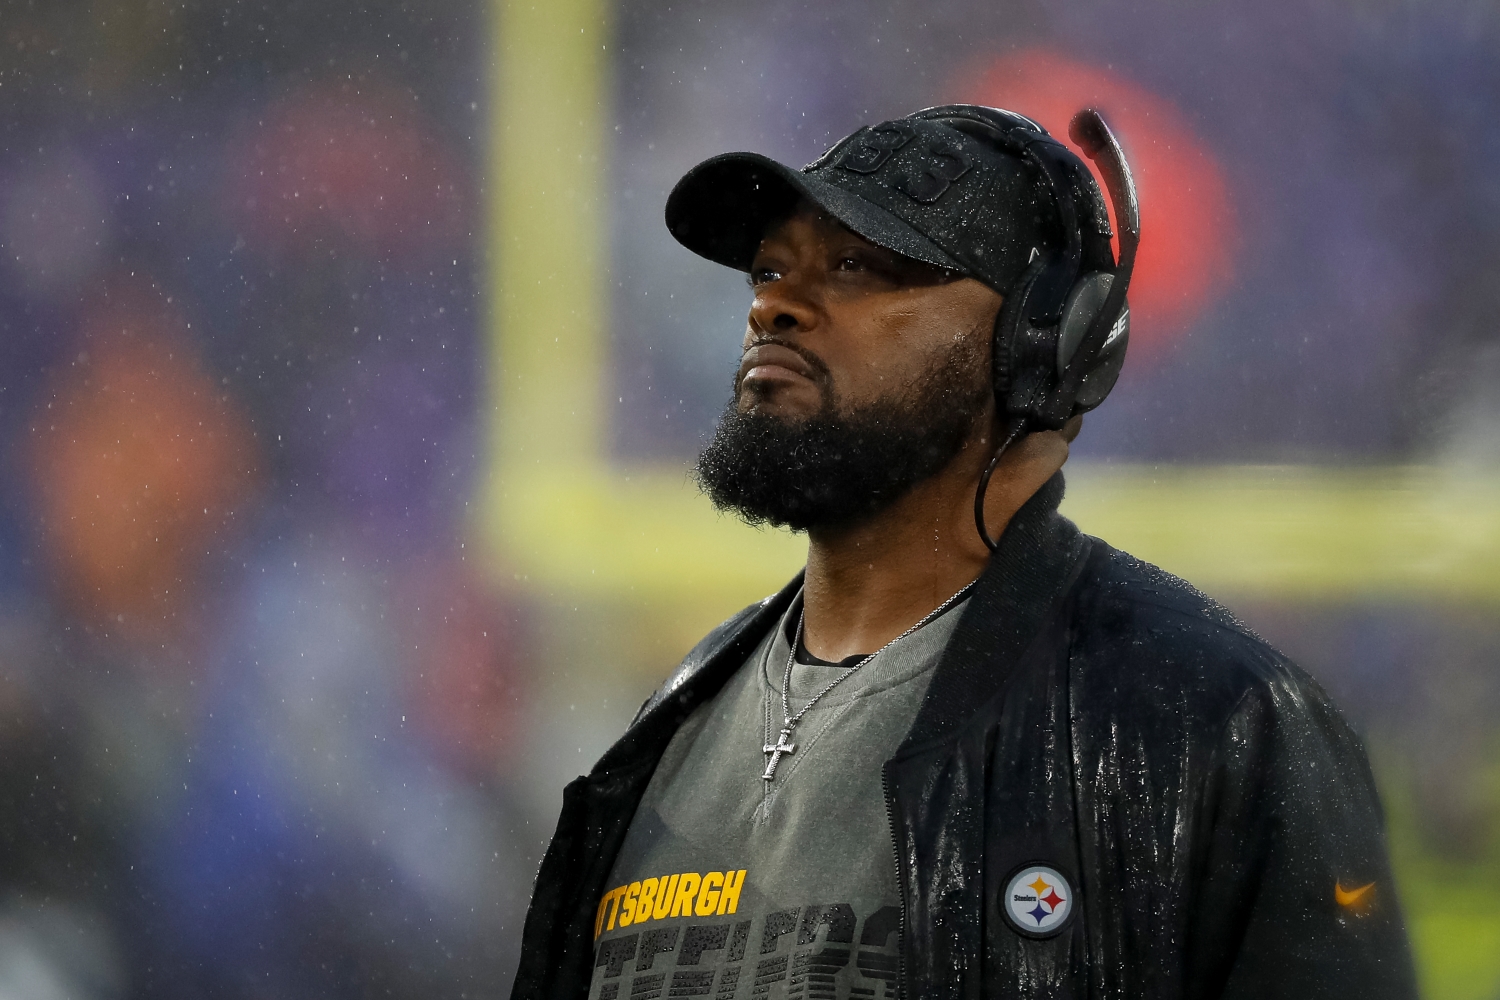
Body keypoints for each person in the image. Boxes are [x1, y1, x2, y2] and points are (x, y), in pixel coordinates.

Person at [511, 105, 1417, 999]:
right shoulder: (665, 732)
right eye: (771, 268)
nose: (775, 305)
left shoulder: (1219, 721)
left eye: (859, 266)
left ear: (1046, 343)